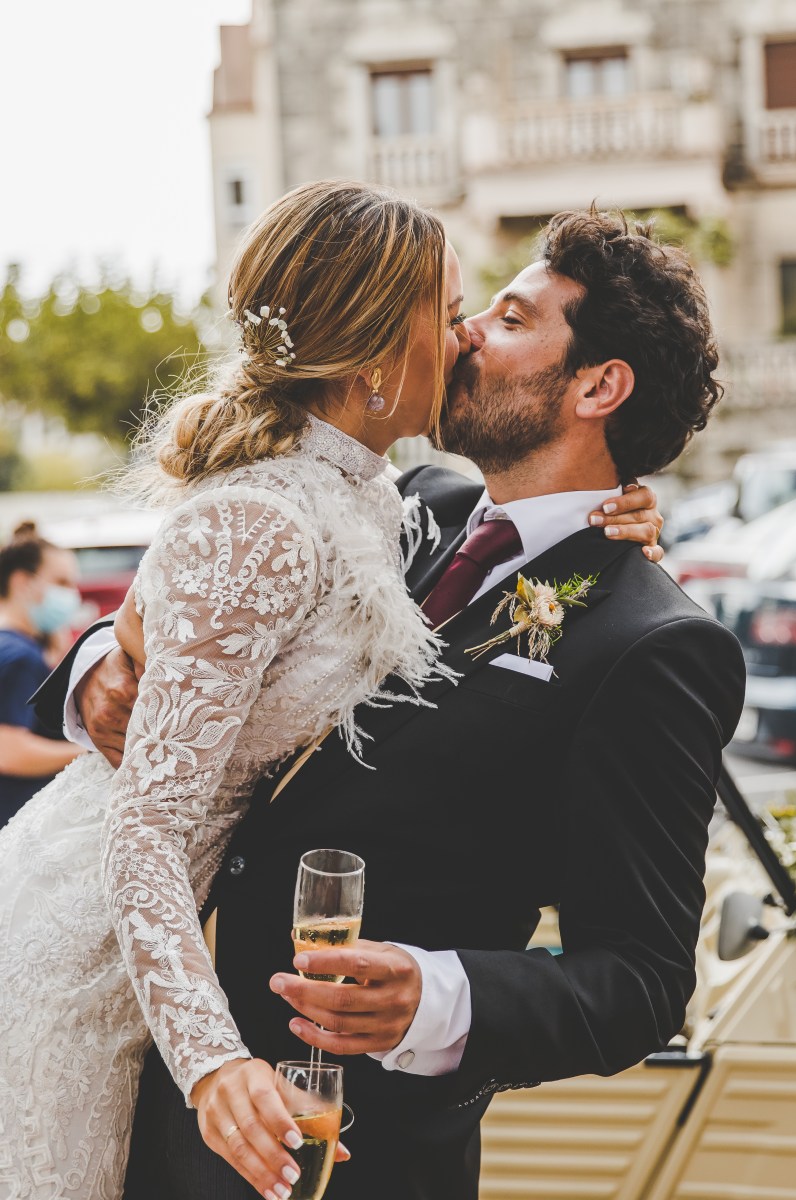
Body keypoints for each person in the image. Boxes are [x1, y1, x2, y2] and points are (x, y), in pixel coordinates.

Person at [43, 205, 744, 1200]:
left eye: (504, 320)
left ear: (597, 385)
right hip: (175, 1071)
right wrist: (103, 664)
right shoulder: (404, 504)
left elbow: (638, 979)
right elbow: (212, 586)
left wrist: (441, 998)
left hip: (363, 1152)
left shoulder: (652, 645)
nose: (464, 336)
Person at [0, 521, 84, 825]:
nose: (72, 594)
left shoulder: (16, 647)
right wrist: (87, 751)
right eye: (61, 582)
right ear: (23, 582)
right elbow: (8, 751)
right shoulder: (19, 657)